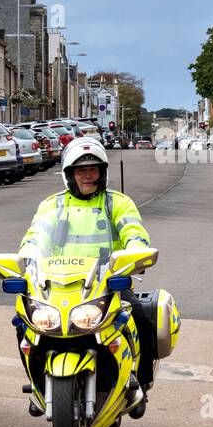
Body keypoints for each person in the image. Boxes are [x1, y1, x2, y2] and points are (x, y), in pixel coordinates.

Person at [18, 139, 156, 393]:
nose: (88, 175)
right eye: (81, 171)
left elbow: (134, 232)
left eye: (93, 169)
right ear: (69, 175)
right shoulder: (53, 205)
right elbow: (35, 236)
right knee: (24, 323)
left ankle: (142, 379)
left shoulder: (118, 202)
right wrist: (26, 259)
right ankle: (38, 383)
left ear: (103, 172)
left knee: (140, 318)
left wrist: (136, 252)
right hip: (57, 285)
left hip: (106, 283)